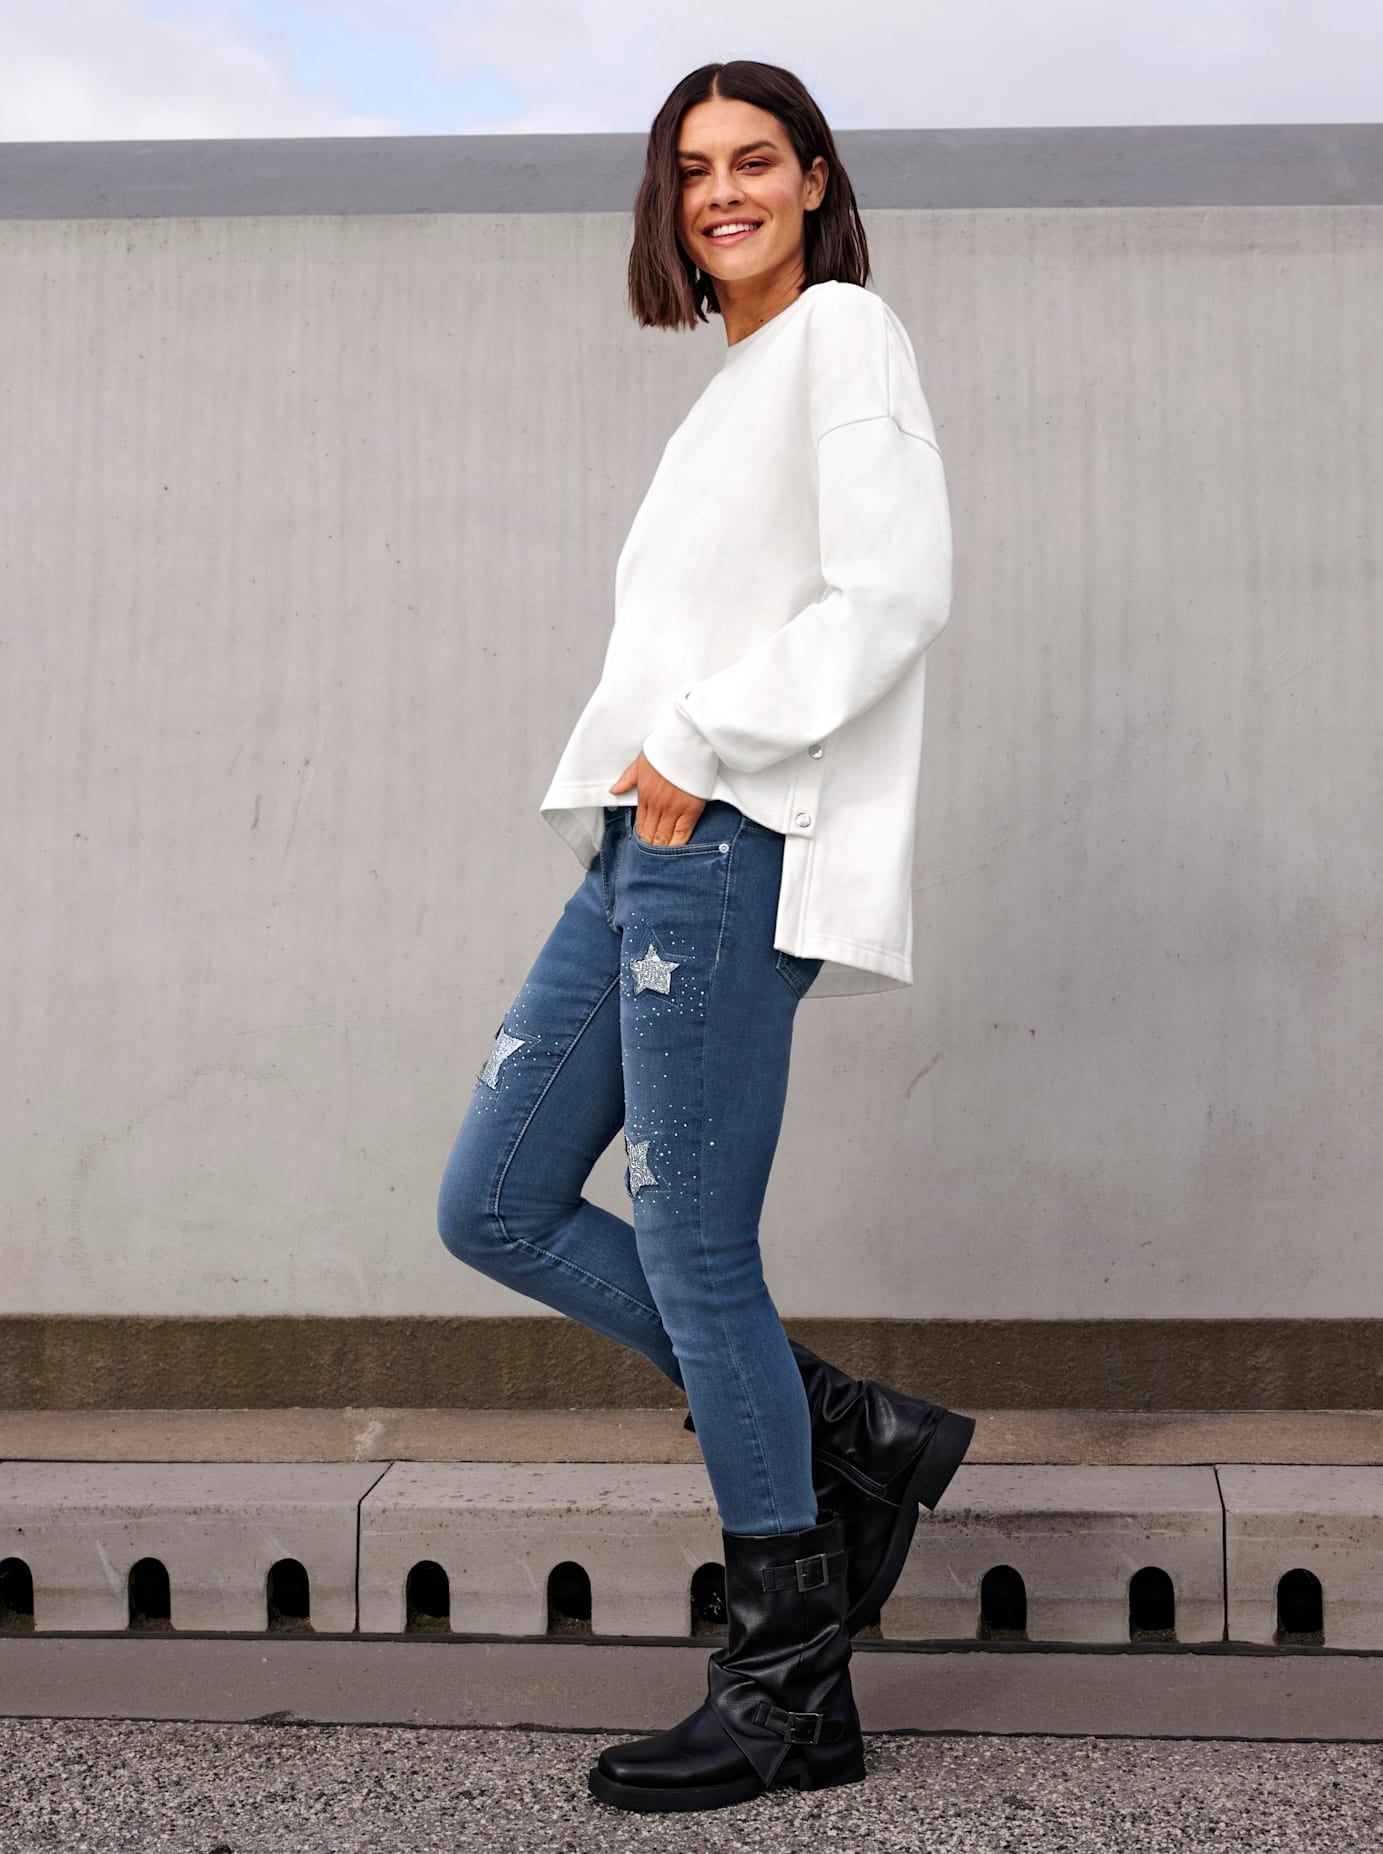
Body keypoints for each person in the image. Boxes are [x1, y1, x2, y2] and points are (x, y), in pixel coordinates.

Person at [436, 57, 975, 1816]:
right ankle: (849, 1431)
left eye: (754, 160)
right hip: (640, 846)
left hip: (727, 838)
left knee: (693, 1248)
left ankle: (789, 1690)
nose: (721, 191)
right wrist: (642, 775)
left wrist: (701, 737)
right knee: (494, 1199)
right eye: (692, 169)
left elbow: (895, 591)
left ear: (816, 179)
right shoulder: (738, 380)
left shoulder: (844, 338)